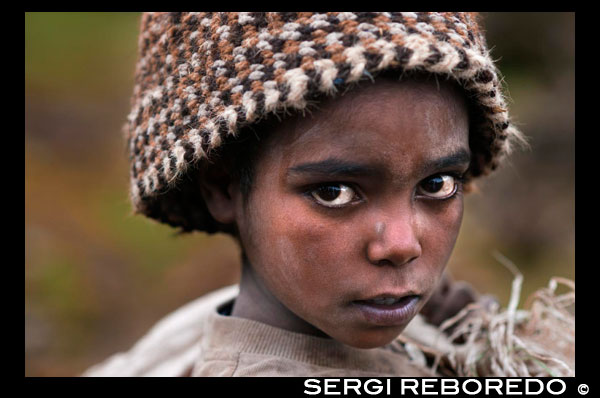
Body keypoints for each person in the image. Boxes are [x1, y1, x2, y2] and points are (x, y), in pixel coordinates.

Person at [83, 12, 525, 377]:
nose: (403, 245)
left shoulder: (196, 325)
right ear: (222, 187)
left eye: (437, 184)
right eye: (334, 192)